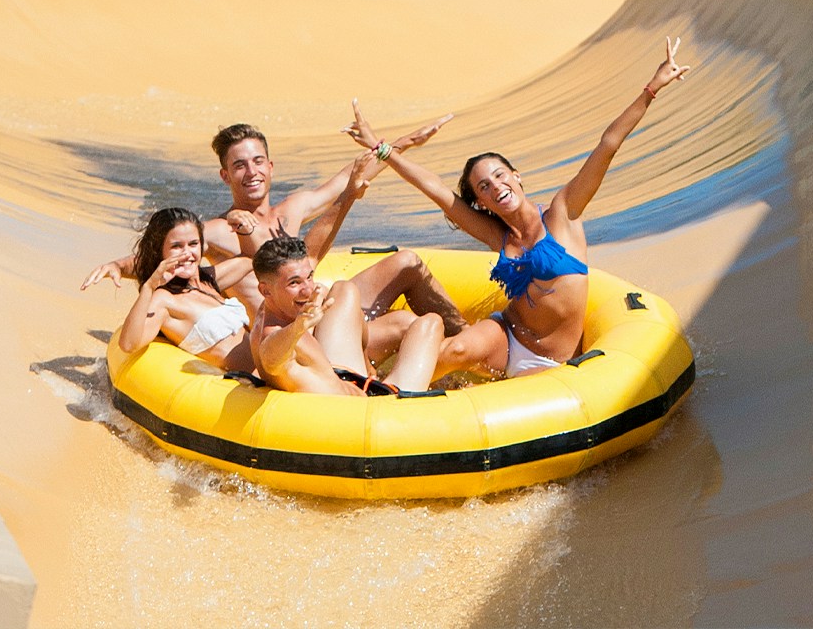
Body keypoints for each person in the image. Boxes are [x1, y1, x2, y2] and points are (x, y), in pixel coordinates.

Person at [346, 38, 691, 379]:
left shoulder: (563, 214)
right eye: (484, 187)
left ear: (516, 176)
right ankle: (377, 394)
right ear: (481, 202)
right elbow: (434, 188)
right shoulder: (499, 234)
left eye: (500, 176)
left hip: (551, 361)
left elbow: (608, 145)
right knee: (454, 351)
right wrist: (382, 148)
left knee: (462, 358)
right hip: (506, 338)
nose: (496, 187)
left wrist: (652, 89)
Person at [82, 117, 469, 346]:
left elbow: (352, 179)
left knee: (407, 262)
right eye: (239, 166)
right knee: (405, 325)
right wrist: (118, 264)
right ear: (225, 175)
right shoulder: (219, 230)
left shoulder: (294, 207)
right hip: (289, 334)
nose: (250, 172)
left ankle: (465, 339)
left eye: (257, 162)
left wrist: (403, 143)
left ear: (271, 167)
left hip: (322, 310)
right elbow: (173, 251)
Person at [251, 234, 443, 396]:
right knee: (431, 324)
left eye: (308, 277)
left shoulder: (270, 307)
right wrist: (298, 327)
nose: (308, 290)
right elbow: (270, 357)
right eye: (294, 283)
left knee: (344, 289)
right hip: (376, 409)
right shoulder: (276, 337)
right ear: (265, 290)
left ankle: (369, 367)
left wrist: (366, 361)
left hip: (346, 377)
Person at [114, 208, 257, 373]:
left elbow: (251, 260)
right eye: (176, 246)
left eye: (193, 244)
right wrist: (148, 287)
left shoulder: (207, 281)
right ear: (159, 251)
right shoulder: (164, 299)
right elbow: (128, 344)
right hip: (249, 386)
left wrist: (240, 225)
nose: (187, 253)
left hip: (270, 377)